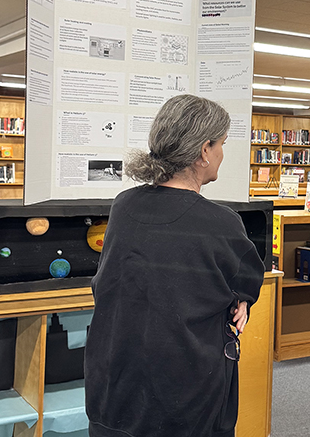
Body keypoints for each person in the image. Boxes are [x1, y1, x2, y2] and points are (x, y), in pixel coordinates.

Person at [85, 94, 265, 437]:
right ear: (204, 151)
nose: (222, 155)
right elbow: (247, 279)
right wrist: (242, 300)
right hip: (186, 397)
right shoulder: (221, 223)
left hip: (116, 389)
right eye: (222, 145)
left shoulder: (124, 206)